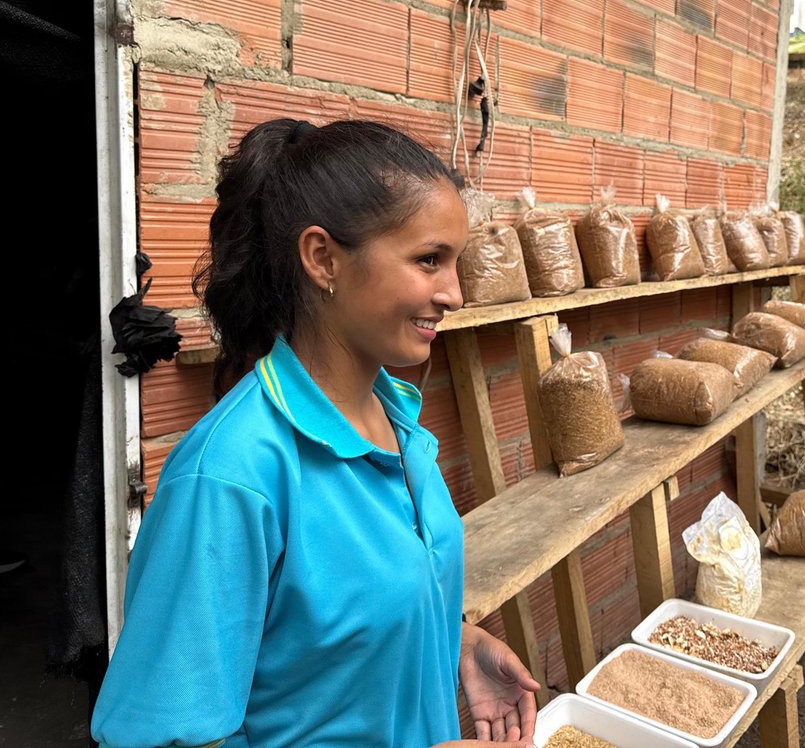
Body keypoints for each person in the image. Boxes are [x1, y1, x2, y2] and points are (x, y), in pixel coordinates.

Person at [90, 119, 539, 747]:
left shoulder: (397, 421)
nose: (455, 294)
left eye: (454, 263)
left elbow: (323, 624)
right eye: (428, 260)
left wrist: (451, 638)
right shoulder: (233, 476)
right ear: (323, 258)